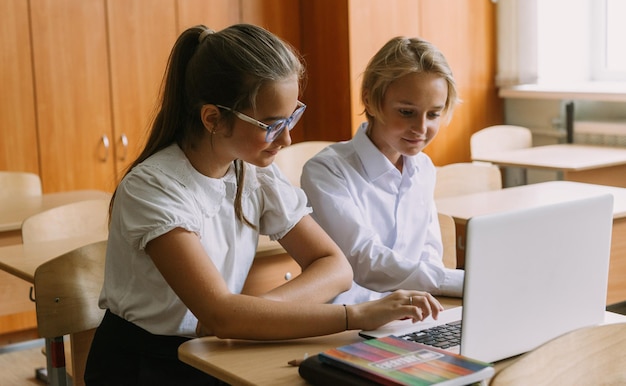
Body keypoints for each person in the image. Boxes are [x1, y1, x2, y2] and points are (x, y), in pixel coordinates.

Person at [84, 24, 443, 385]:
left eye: (292, 117)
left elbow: (335, 267)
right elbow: (222, 317)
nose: (287, 138)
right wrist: (357, 315)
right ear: (213, 118)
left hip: (217, 347)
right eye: (271, 125)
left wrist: (255, 314)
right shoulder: (153, 188)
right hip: (147, 365)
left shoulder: (252, 172)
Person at [301, 36, 465, 306]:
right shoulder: (327, 170)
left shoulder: (423, 168)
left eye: (433, 114)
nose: (421, 128)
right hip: (346, 323)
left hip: (411, 314)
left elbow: (428, 252)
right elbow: (365, 261)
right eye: (407, 112)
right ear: (370, 99)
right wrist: (464, 283)